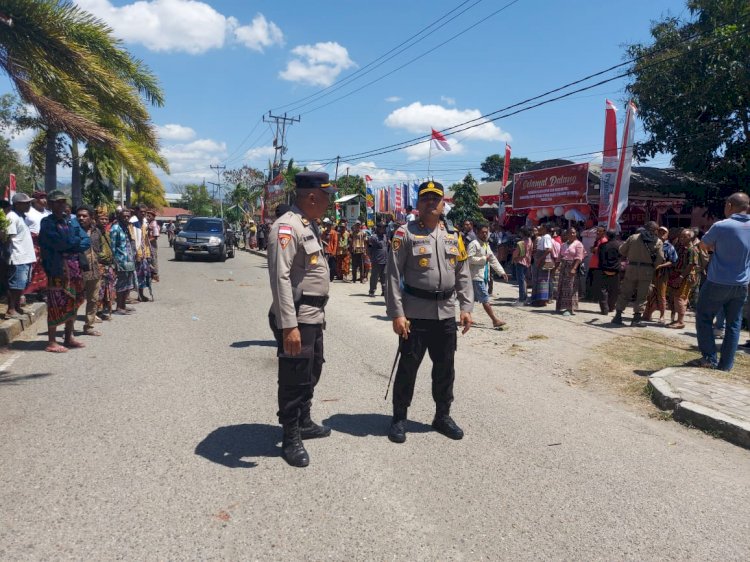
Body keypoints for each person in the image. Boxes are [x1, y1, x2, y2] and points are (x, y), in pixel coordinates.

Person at [385, 180, 473, 444]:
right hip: (415, 315)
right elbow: (393, 275)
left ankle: (442, 416)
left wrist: (466, 307)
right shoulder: (405, 234)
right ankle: (399, 417)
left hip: (445, 315)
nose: (431, 203)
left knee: (445, 369)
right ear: (418, 204)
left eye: (436, 199)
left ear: (443, 203)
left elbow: (463, 273)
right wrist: (397, 313)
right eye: (426, 199)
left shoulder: (453, 236)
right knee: (408, 368)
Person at [267, 171, 337, 468]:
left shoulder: (308, 226)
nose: (330, 202)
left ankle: (305, 420)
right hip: (296, 316)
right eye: (327, 196)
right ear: (312, 196)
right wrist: (289, 326)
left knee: (312, 369)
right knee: (294, 377)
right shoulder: (286, 227)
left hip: (313, 315)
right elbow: (280, 277)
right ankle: (291, 435)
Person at [695, 193, 750, 371]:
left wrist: (716, 247)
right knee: (734, 325)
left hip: (718, 281)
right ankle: (726, 365)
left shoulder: (721, 226)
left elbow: (703, 245)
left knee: (704, 317)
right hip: (741, 283)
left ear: (729, 205)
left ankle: (710, 358)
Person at [38, 190, 90, 353]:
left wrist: (70, 243)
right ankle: (52, 341)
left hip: (74, 269)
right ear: (51, 204)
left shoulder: (70, 221)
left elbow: (85, 240)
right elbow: (59, 243)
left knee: (73, 301)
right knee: (55, 303)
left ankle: (68, 336)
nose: (61, 205)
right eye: (57, 202)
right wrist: (72, 243)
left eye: (63, 202)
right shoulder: (47, 223)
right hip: (57, 270)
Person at [612, 221, 665, 327]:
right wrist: (652, 266)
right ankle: (636, 319)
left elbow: (622, 250)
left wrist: (631, 255)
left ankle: (618, 316)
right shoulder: (658, 241)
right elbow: (660, 258)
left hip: (631, 267)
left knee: (625, 292)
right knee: (642, 295)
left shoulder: (633, 237)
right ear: (655, 230)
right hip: (647, 270)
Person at [467, 222, 508, 328]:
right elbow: (469, 259)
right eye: (483, 232)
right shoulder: (474, 244)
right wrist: (484, 259)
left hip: (483, 275)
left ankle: (467, 319)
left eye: (486, 232)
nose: (485, 234)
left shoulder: (486, 244)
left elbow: (493, 259)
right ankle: (494, 320)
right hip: (475, 276)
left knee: (471, 298)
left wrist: (502, 272)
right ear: (477, 233)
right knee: (485, 298)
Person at [5, 193, 37, 319]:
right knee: (15, 285)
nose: (29, 205)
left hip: (25, 257)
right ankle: (11, 310)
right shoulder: (12, 217)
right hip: (18, 257)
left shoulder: (21, 217)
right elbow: (8, 238)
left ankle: (17, 307)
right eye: (26, 203)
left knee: (21, 285)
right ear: (17, 204)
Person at [76, 205, 103, 336]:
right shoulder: (73, 231)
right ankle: (68, 329)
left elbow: (101, 249)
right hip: (78, 271)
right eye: (79, 216)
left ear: (91, 218)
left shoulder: (97, 231)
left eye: (84, 216)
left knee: (93, 299)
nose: (81, 218)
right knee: (74, 300)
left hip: (95, 270)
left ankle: (89, 326)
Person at [664, 228, 699, 330]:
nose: (682, 238)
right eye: (681, 236)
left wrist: (681, 277)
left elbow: (691, 265)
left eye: (685, 236)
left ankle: (680, 321)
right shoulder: (679, 247)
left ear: (690, 237)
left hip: (684, 277)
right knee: (674, 297)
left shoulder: (692, 250)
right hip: (675, 275)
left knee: (680, 298)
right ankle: (675, 319)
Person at [643, 227, 679, 323]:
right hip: (651, 272)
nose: (662, 233)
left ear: (667, 235)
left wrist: (661, 265)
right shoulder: (652, 244)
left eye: (664, 232)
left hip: (662, 274)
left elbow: (673, 261)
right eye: (660, 232)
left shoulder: (670, 247)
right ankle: (648, 313)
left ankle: (662, 316)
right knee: (650, 293)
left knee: (661, 295)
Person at [109, 208, 138, 316]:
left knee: (128, 284)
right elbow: (112, 246)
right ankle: (118, 307)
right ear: (119, 216)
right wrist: (114, 262)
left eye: (128, 216)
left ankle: (123, 305)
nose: (126, 218)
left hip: (129, 260)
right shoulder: (115, 228)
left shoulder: (126, 228)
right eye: (124, 216)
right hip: (120, 261)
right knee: (121, 284)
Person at [555, 228, 586, 316]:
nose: (572, 234)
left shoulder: (578, 244)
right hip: (563, 267)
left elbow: (579, 258)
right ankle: (561, 306)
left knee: (570, 287)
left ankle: (570, 308)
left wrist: (574, 268)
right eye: (570, 233)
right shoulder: (564, 244)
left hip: (572, 267)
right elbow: (559, 257)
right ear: (567, 234)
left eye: (573, 232)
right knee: (561, 286)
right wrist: (555, 268)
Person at [95, 206, 116, 320]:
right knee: (98, 290)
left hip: (108, 265)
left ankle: (101, 312)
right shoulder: (95, 232)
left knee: (107, 290)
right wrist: (106, 257)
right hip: (99, 265)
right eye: (101, 219)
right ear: (96, 219)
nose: (104, 221)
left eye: (106, 219)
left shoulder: (106, 232)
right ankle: (94, 313)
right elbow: (95, 250)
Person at [596, 231, 622, 315]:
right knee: (614, 290)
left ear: (607, 236)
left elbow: (599, 257)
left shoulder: (602, 246)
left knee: (602, 290)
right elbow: (622, 256)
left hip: (604, 269)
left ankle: (604, 309)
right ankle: (611, 307)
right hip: (616, 270)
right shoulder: (620, 245)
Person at [529, 224, 554, 306]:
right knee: (539, 280)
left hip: (543, 261)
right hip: (540, 260)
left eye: (541, 227)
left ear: (545, 229)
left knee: (543, 281)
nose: (539, 228)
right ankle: (538, 299)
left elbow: (549, 249)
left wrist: (540, 259)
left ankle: (542, 300)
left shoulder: (546, 237)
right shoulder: (543, 237)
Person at [511, 227, 532, 305]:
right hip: (527, 262)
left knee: (521, 281)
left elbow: (516, 253)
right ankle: (525, 297)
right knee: (524, 280)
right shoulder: (530, 241)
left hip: (520, 262)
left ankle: (522, 299)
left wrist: (513, 259)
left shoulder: (521, 243)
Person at [368, 221, 388, 297]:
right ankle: (372, 291)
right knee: (374, 277)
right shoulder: (374, 237)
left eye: (384, 227)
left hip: (384, 260)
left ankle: (384, 291)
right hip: (376, 260)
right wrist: (370, 257)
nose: (384, 229)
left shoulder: (385, 236)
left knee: (384, 276)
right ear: (379, 228)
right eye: (382, 227)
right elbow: (369, 248)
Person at [145, 210, 160, 282]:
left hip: (152, 244)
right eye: (147, 215)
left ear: (153, 217)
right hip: (148, 243)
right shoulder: (149, 223)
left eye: (149, 216)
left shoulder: (154, 224)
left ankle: (155, 276)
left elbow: (156, 236)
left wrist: (147, 241)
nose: (148, 217)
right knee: (149, 259)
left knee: (153, 259)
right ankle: (150, 275)